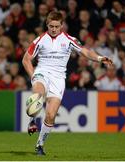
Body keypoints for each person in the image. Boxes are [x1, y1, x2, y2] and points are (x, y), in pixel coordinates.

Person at [22, 11, 113, 155]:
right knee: (38, 93)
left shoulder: (69, 40)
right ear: (47, 25)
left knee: (51, 115)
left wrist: (100, 58)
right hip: (42, 73)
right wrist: (34, 76)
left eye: (56, 26)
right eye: (51, 26)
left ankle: (39, 145)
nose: (53, 29)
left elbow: (85, 52)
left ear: (61, 26)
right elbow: (26, 59)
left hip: (58, 79)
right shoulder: (40, 40)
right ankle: (32, 120)